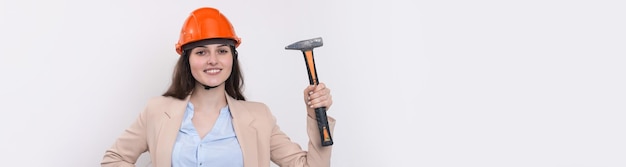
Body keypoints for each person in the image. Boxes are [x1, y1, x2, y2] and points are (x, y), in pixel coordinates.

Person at [101, 7, 335, 167]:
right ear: (187, 60)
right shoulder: (157, 111)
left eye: (222, 51)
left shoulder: (259, 116)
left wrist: (316, 113)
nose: (213, 60)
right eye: (202, 52)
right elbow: (114, 158)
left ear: (232, 58)